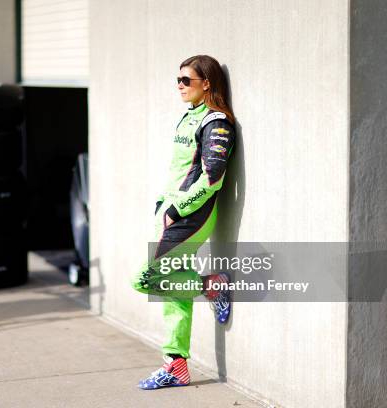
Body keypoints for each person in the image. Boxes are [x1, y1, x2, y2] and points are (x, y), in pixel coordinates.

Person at [131, 55, 236, 390]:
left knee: (147, 279)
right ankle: (175, 366)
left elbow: (212, 179)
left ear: (207, 83)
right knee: (174, 289)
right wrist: (164, 203)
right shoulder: (189, 117)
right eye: (177, 80)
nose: (179, 86)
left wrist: (176, 212)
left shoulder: (216, 122)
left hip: (191, 216)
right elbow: (179, 169)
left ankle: (211, 285)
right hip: (173, 213)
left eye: (185, 80)